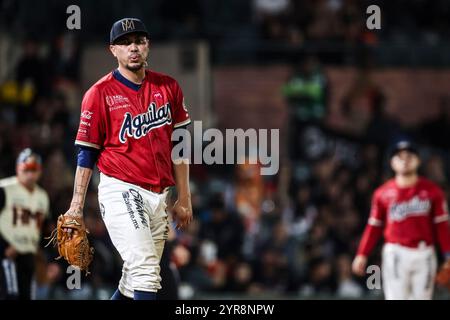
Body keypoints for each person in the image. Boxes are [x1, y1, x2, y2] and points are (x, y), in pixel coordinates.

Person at [64, 17, 193, 300]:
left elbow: (180, 144)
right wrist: (76, 206)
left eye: (138, 41)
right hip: (122, 189)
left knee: (133, 279)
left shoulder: (168, 87)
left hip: (160, 194)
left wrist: (184, 196)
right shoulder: (99, 94)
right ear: (113, 50)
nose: (132, 47)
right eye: (124, 43)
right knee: (146, 271)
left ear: (147, 46)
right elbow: (86, 152)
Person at [352, 139, 450, 300]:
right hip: (396, 252)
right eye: (399, 157)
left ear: (418, 161)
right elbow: (374, 227)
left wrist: (448, 254)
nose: (404, 160)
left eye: (409, 156)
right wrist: (362, 253)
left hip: (424, 252)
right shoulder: (382, 193)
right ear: (392, 162)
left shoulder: (432, 191)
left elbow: (441, 225)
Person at [0, 148, 50, 299]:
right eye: (25, 169)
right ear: (17, 168)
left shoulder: (43, 196)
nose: (29, 174)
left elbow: (46, 230)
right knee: (10, 295)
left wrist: (49, 258)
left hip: (29, 255)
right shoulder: (4, 189)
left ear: (40, 171)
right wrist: (2, 247)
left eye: (33, 169)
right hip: (7, 255)